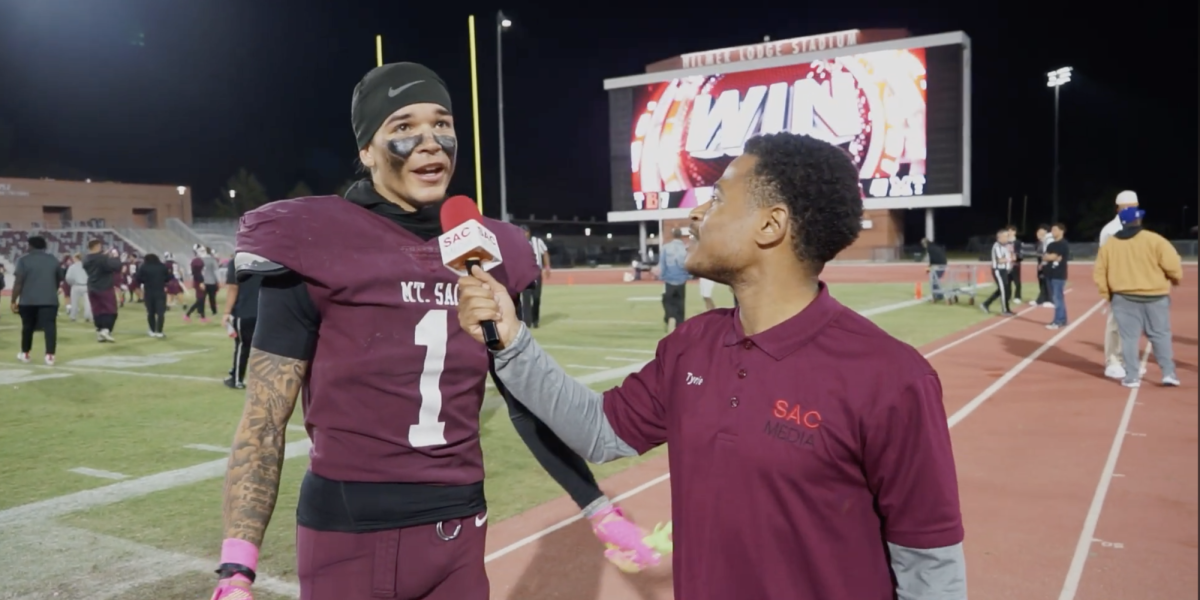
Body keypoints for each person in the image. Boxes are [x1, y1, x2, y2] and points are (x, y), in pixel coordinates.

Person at [210, 62, 657, 600]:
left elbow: (521, 402)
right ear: (367, 151)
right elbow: (263, 418)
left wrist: (596, 506)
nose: (430, 142)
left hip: (458, 530)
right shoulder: (313, 239)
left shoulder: (483, 247)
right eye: (402, 127)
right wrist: (237, 567)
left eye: (442, 124)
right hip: (348, 535)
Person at [457, 132, 966, 600]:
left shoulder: (891, 377)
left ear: (772, 225)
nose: (697, 213)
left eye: (719, 197)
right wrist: (513, 341)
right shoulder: (691, 345)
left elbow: (929, 564)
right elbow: (598, 430)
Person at [1093, 206, 1183, 387]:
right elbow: (1173, 265)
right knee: (1160, 335)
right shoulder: (1155, 240)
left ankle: (1132, 377)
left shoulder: (1110, 244)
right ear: (1139, 221)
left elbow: (1100, 273)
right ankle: (1168, 373)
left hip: (1123, 297)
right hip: (1155, 296)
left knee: (1128, 338)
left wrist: (1108, 294)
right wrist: (1175, 279)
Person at [1098, 190, 1140, 379]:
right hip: (1118, 282)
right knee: (1116, 323)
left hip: (1136, 282)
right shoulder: (1110, 230)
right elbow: (1105, 260)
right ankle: (1112, 361)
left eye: (1134, 206)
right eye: (1127, 207)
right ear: (1118, 208)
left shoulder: (1137, 227)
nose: (1131, 210)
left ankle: (1126, 361)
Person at [11, 235, 64, 365]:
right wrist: (52, 290)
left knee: (27, 327)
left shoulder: (23, 260)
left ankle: (25, 353)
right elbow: (59, 278)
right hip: (50, 300)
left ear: (30, 246)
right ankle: (50, 356)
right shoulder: (53, 260)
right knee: (50, 327)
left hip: (28, 300)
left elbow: (19, 282)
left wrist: (13, 300)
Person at [220, 260, 262, 389]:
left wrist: (226, 311)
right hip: (265, 311)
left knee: (242, 346)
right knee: (264, 348)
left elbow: (233, 287)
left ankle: (237, 379)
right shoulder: (265, 259)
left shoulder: (237, 261)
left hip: (244, 311)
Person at [82, 239, 122, 342]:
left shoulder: (85, 259)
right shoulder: (102, 258)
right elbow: (117, 266)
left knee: (97, 310)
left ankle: (99, 331)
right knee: (110, 310)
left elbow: (97, 261)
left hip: (92, 286)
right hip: (104, 287)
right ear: (97, 246)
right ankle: (106, 330)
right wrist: (115, 256)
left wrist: (104, 256)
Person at [518, 224, 550, 328]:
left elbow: (545, 253)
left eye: (525, 232)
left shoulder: (537, 241)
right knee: (526, 298)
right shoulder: (517, 243)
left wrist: (547, 267)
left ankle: (535, 320)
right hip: (525, 273)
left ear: (529, 232)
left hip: (536, 272)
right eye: (522, 232)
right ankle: (527, 323)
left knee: (536, 297)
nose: (524, 234)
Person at [659, 227, 689, 332]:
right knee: (680, 303)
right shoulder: (685, 248)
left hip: (670, 279)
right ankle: (680, 324)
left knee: (667, 300)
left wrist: (662, 276)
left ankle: (670, 316)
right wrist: (687, 276)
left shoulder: (666, 247)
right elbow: (688, 264)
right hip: (681, 280)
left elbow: (662, 264)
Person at [981, 228, 1014, 316]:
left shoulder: (1006, 246)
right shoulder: (997, 246)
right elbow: (1000, 260)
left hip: (1004, 270)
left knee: (1003, 290)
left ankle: (986, 304)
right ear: (1000, 237)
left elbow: (1010, 256)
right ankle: (1005, 309)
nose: (1007, 238)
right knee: (1003, 290)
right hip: (998, 270)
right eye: (1006, 236)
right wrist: (1010, 259)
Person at [136, 253, 170, 338]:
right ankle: (159, 331)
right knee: (160, 313)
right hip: (160, 291)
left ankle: (152, 330)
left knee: (150, 312)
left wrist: (145, 281)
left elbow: (138, 279)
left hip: (149, 291)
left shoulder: (144, 267)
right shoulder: (162, 266)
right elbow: (169, 277)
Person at [1043, 223, 1070, 329]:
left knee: (1057, 298)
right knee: (1058, 298)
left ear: (1061, 231)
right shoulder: (1051, 245)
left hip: (1059, 275)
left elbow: (1051, 257)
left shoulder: (1063, 244)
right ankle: (1062, 319)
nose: (1052, 232)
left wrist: (1051, 257)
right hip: (1049, 274)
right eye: (1052, 230)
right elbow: (1046, 257)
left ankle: (1058, 321)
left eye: (1055, 230)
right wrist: (1051, 257)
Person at [65, 253, 92, 322]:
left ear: (76, 258)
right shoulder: (87, 266)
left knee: (74, 302)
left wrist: (71, 283)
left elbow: (68, 278)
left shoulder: (72, 267)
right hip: (86, 286)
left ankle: (73, 317)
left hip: (76, 286)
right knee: (88, 302)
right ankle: (87, 316)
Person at [921, 237, 948, 302]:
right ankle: (939, 295)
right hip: (943, 263)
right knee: (935, 280)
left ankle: (937, 295)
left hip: (940, 265)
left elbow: (932, 259)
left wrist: (928, 268)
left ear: (925, 243)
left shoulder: (929, 248)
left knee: (934, 280)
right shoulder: (934, 246)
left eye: (923, 244)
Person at [1033, 224, 1053, 307]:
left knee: (1048, 281)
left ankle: (1051, 300)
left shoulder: (1048, 240)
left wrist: (1043, 263)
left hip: (1048, 263)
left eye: (1040, 231)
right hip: (1042, 263)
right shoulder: (1040, 242)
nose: (1038, 233)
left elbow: (1047, 253)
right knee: (1042, 281)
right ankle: (1041, 299)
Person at [1006, 225, 1023, 304]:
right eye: (1008, 231)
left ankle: (1017, 296)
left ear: (1015, 232)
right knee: (1007, 281)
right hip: (1006, 264)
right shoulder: (1004, 241)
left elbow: (1020, 253)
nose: (1010, 232)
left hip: (1015, 264)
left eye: (1012, 231)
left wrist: (1015, 257)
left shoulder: (1018, 242)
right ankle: (1008, 296)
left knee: (1017, 281)